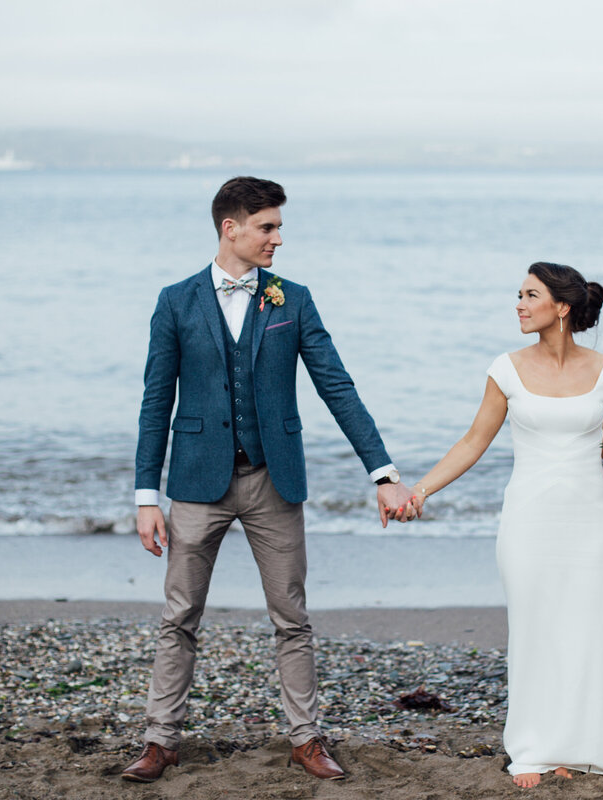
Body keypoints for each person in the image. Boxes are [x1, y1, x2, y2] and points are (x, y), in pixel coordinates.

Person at [123, 177, 417, 783]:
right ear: (230, 228)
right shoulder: (175, 301)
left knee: (292, 617)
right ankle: (160, 741)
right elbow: (156, 402)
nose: (278, 238)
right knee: (179, 615)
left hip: (272, 481)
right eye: (268, 227)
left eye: (278, 227)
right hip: (196, 483)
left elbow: (337, 386)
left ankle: (306, 739)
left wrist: (382, 472)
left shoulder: (294, 299)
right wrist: (146, 496)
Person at [410, 262, 603, 788]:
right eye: (518, 295)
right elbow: (474, 441)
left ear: (562, 307)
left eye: (530, 295)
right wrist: (420, 490)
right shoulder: (506, 368)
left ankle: (582, 741)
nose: (519, 305)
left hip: (590, 521)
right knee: (536, 628)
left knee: (587, 629)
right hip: (527, 520)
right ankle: (535, 745)